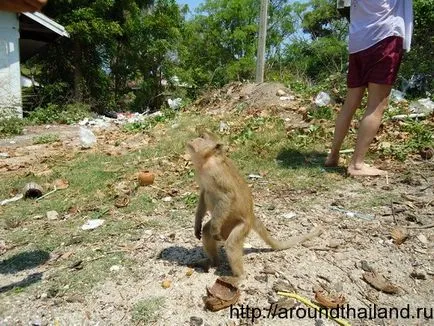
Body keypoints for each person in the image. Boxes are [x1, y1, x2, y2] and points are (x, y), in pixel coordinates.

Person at [325, 0, 413, 176]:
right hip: (384, 36)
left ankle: (333, 156)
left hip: (358, 39)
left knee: (350, 102)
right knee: (376, 104)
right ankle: (357, 165)